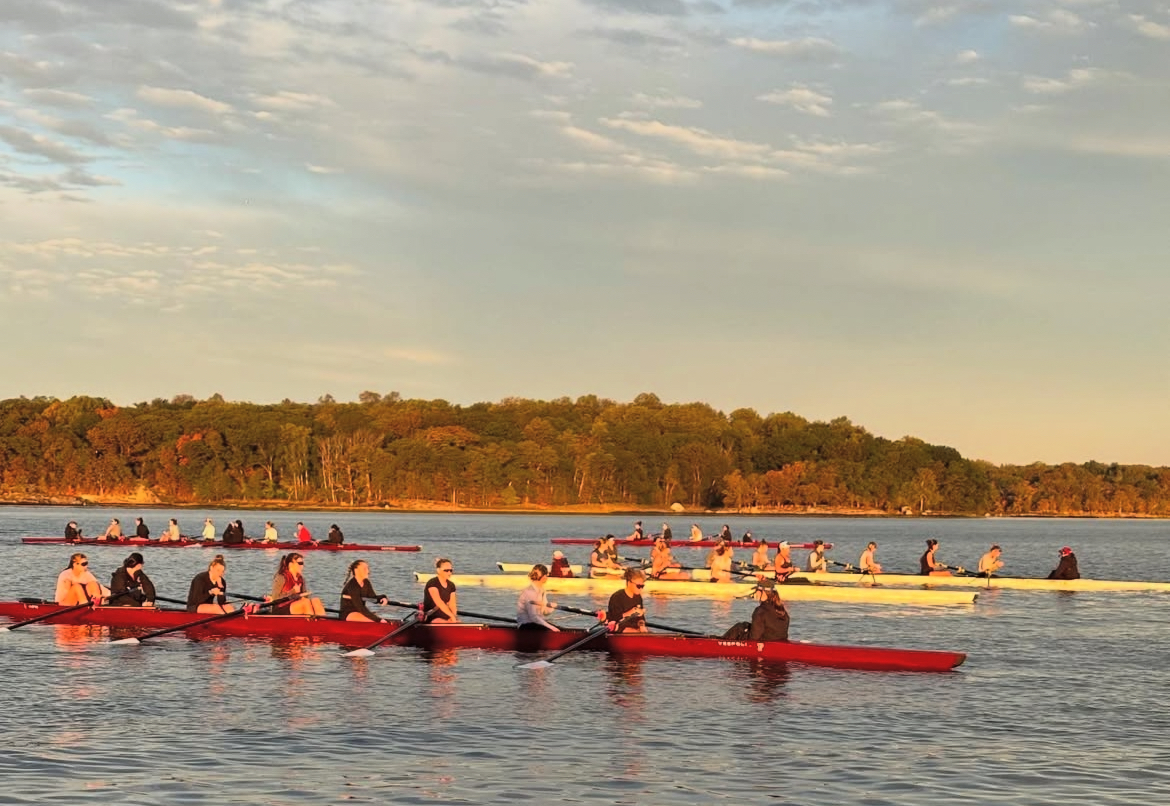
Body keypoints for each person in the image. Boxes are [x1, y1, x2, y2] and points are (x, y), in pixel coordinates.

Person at [516, 564, 559, 631]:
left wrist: (552, 607)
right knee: (553, 630)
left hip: (536, 623)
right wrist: (552, 628)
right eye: (547, 575)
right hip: (526, 625)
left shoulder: (542, 590)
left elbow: (545, 612)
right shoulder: (530, 592)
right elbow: (533, 617)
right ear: (544, 576)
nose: (547, 578)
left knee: (559, 629)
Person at [604, 568, 647, 633]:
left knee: (647, 633)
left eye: (642, 586)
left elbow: (641, 618)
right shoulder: (617, 597)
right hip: (618, 628)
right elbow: (614, 617)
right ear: (629, 583)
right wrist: (630, 612)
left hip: (634, 628)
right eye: (638, 586)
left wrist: (642, 625)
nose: (641, 589)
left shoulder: (638, 597)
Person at [422, 557, 458, 623]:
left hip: (446, 616)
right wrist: (452, 616)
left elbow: (452, 604)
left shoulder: (451, 585)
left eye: (451, 570)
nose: (449, 573)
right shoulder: (432, 583)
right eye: (446, 570)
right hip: (432, 617)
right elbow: (439, 603)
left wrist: (454, 617)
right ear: (438, 570)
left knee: (458, 623)